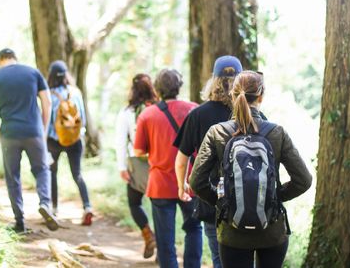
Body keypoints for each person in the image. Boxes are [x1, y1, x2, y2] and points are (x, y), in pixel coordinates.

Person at [189, 71, 312, 268]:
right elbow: (304, 180)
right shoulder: (277, 133)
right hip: (272, 231)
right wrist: (273, 198)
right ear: (261, 96)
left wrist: (225, 202)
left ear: (232, 95)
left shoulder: (217, 132)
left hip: (232, 233)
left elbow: (197, 181)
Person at [173, 55, 243, 268]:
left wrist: (181, 185)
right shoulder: (251, 114)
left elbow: (181, 159)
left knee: (218, 255)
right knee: (244, 256)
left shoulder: (198, 115)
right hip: (246, 195)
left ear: (213, 80)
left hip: (211, 196)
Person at [0, 48, 58, 233]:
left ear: (0, 60)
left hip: (9, 134)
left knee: (13, 177)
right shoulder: (33, 73)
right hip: (34, 132)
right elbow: (47, 102)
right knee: (42, 170)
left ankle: (19, 222)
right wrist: (43, 128)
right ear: (15, 59)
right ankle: (45, 204)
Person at [134, 69, 202, 268]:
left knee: (165, 239)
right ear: (179, 87)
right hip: (191, 181)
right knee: (194, 229)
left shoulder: (147, 115)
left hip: (160, 184)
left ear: (157, 88)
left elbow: (138, 151)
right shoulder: (194, 110)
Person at [115, 73, 158, 259]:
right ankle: (163, 247)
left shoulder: (127, 113)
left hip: (136, 165)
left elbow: (120, 142)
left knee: (134, 203)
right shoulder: (159, 108)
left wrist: (122, 167)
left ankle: (148, 235)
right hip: (159, 164)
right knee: (160, 207)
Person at [47, 60, 92, 226]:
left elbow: (47, 121)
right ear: (66, 75)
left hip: (54, 140)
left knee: (52, 172)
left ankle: (54, 208)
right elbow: (83, 120)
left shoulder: (49, 94)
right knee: (77, 174)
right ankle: (87, 207)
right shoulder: (75, 92)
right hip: (75, 140)